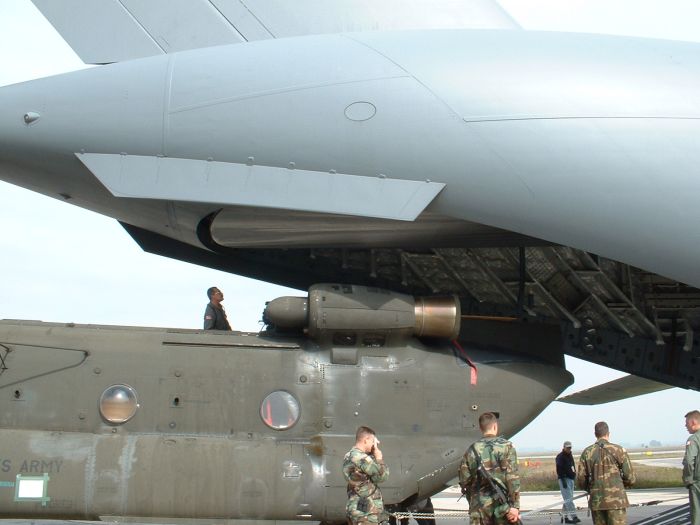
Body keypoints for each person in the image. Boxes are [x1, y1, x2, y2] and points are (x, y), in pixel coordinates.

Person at [459, 412, 520, 525]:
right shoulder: (507, 447)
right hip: (503, 508)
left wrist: (473, 500)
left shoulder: (472, 450)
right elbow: (513, 477)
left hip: (479, 508)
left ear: (480, 428)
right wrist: (514, 506)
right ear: (495, 426)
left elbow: (464, 480)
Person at [576, 421, 635, 525]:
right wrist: (621, 486)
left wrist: (590, 488)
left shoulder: (587, 452)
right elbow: (630, 477)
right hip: (617, 501)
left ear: (595, 434)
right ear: (608, 433)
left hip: (597, 501)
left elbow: (581, 479)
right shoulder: (619, 450)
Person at [343, 426, 390, 525]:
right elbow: (382, 476)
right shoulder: (361, 458)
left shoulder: (350, 455)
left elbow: (373, 476)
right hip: (365, 512)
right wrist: (379, 458)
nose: (373, 444)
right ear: (366, 440)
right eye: (372, 441)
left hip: (358, 507)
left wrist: (373, 451)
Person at [556, 441, 580, 523]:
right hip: (564, 479)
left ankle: (565, 517)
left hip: (571, 479)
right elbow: (559, 469)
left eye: (570, 447)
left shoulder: (570, 456)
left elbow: (572, 466)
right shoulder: (560, 457)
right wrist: (563, 480)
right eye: (567, 448)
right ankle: (574, 516)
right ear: (564, 447)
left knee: (568, 499)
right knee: (569, 499)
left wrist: (574, 476)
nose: (569, 449)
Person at [683, 410, 700, 525]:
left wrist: (689, 480)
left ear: (693, 422)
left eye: (687, 423)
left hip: (697, 483)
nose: (685, 426)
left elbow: (689, 461)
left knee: (697, 514)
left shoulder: (694, 439)